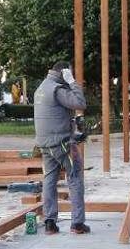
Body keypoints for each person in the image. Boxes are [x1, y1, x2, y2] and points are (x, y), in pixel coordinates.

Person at [33, 61, 89, 235]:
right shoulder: (58, 89)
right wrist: (72, 82)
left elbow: (54, 113)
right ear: (64, 72)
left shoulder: (41, 88)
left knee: (49, 180)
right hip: (62, 143)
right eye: (69, 73)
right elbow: (80, 103)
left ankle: (50, 222)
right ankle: (77, 224)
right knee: (75, 177)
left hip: (44, 144)